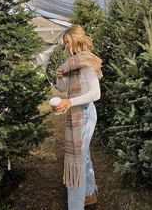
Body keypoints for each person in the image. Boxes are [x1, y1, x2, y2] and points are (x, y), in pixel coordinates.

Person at [52, 25, 103, 210]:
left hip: (86, 114)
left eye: (68, 42)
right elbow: (62, 88)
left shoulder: (86, 63)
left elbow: (95, 93)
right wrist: (59, 77)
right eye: (64, 43)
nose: (66, 46)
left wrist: (70, 103)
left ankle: (76, 206)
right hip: (76, 113)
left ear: (76, 40)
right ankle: (90, 194)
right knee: (84, 157)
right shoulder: (71, 64)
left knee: (77, 162)